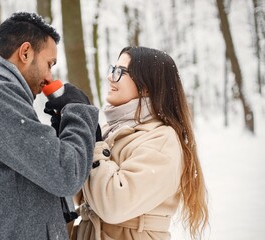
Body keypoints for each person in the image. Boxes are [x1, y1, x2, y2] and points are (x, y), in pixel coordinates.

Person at [0, 12, 99, 239]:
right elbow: (67, 173)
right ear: (25, 52)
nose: (49, 77)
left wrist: (61, 127)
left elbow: (36, 172)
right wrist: (77, 111)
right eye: (49, 64)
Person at [75, 46, 209, 240]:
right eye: (113, 69)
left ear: (146, 86)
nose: (111, 77)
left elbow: (113, 205)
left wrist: (93, 143)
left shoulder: (161, 140)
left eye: (120, 72)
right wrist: (72, 135)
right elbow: (82, 195)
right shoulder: (111, 131)